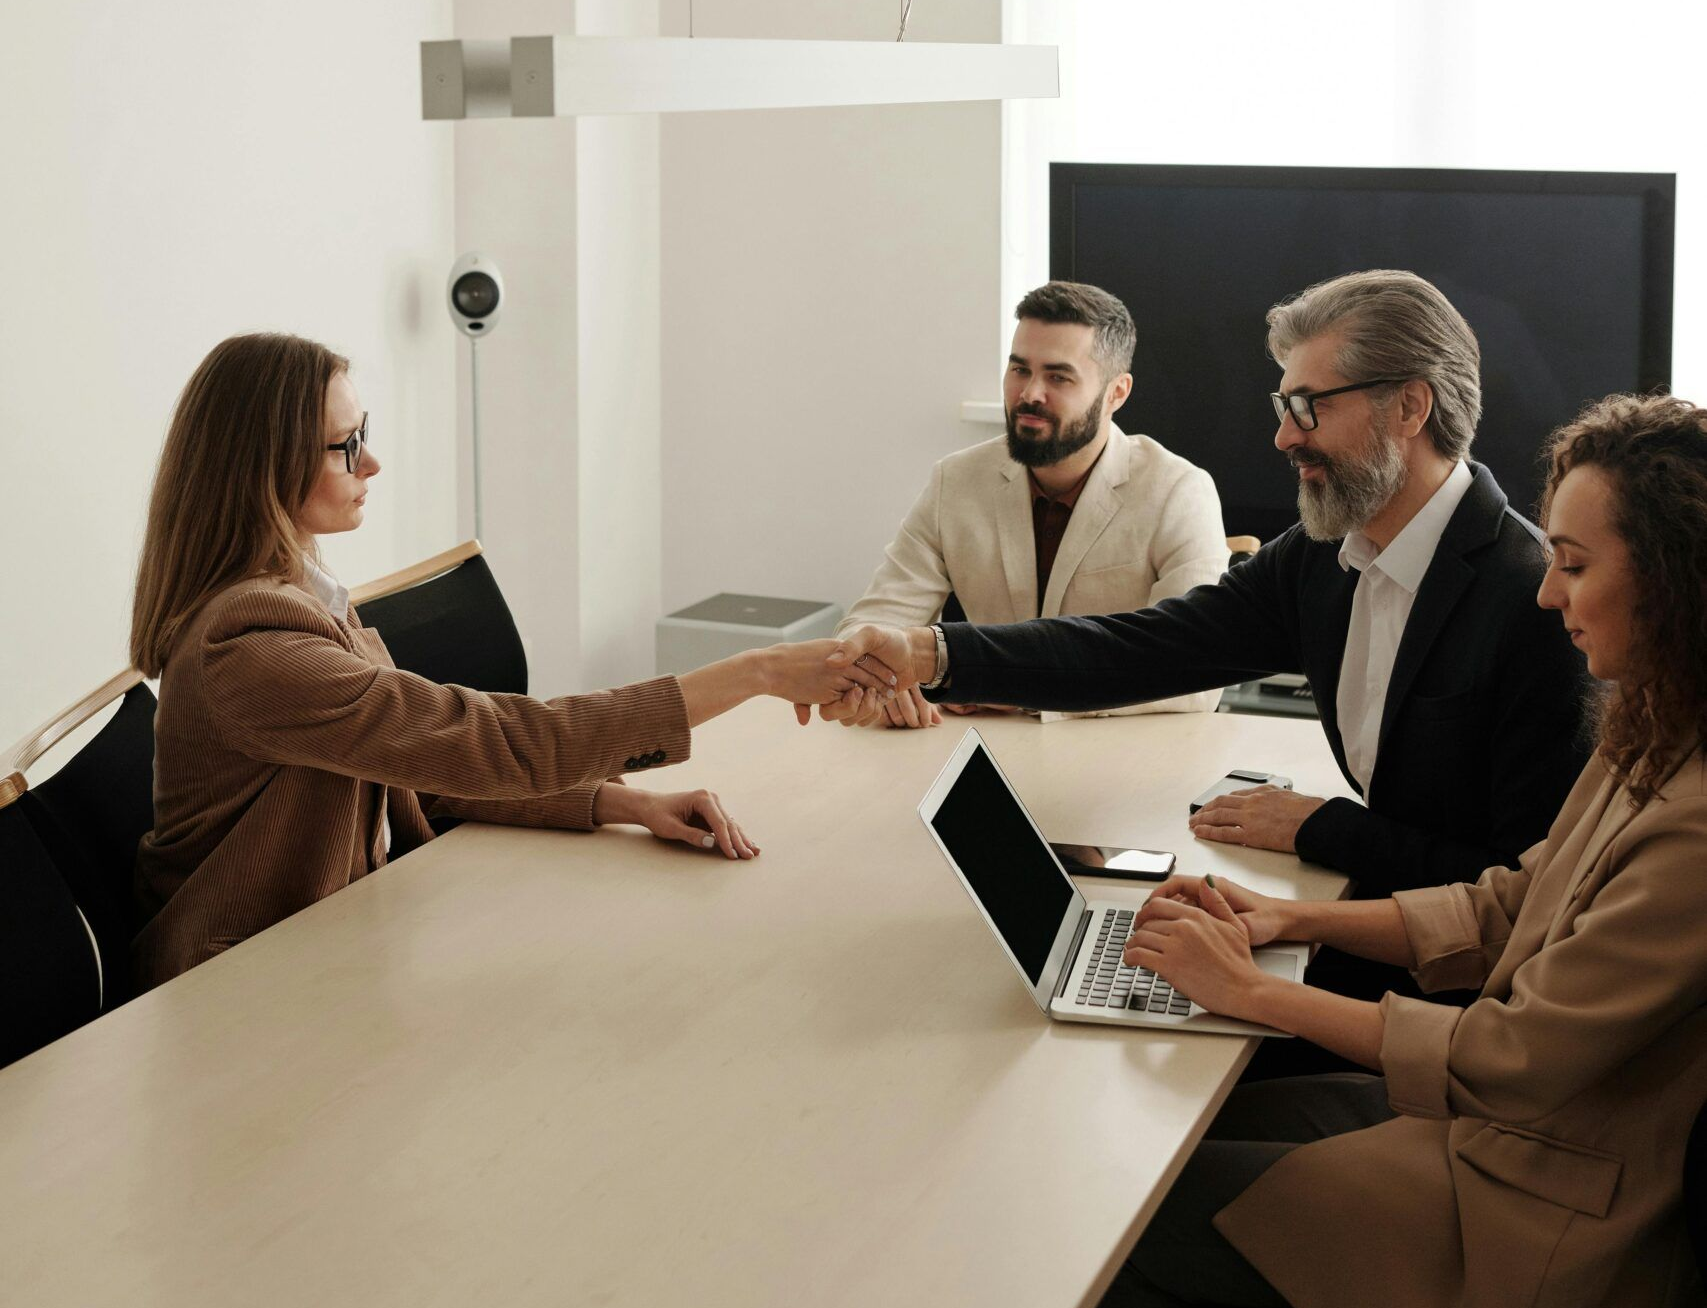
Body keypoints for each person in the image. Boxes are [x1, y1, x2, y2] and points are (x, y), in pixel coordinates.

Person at [1081, 391, 1707, 1308]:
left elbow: (1516, 1055)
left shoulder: (1697, 818)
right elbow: (1514, 903)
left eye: (1571, 562)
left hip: (1561, 1228)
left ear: (1674, 581)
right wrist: (1295, 925)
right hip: (1524, 1152)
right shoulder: (1657, 728)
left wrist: (1253, 994)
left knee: (1112, 1216)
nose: (1546, 589)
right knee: (1163, 1147)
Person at [830, 269, 1589, 1003]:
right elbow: (1142, 647)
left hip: (1453, 996)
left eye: (1306, 406)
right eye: (1281, 403)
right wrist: (937, 654)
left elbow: (1522, 890)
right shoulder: (1324, 556)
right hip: (1369, 935)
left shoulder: (1535, 601)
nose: (1281, 436)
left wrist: (1325, 828)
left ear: (1409, 407)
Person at [129, 334, 892, 993]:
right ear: (262, 465)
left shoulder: (301, 591)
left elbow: (423, 765)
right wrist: (753, 671)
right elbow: (484, 741)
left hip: (344, 939)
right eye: (346, 445)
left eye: (365, 433)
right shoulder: (252, 644)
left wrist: (623, 804)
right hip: (239, 992)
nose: (374, 463)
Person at [839, 281, 1228, 728]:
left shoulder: (1178, 490)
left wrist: (1024, 689)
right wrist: (883, 676)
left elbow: (1199, 673)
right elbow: (871, 622)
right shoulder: (956, 480)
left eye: (1058, 377)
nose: (1030, 393)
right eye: (1020, 369)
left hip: (1121, 757)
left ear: (1117, 393)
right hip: (978, 752)